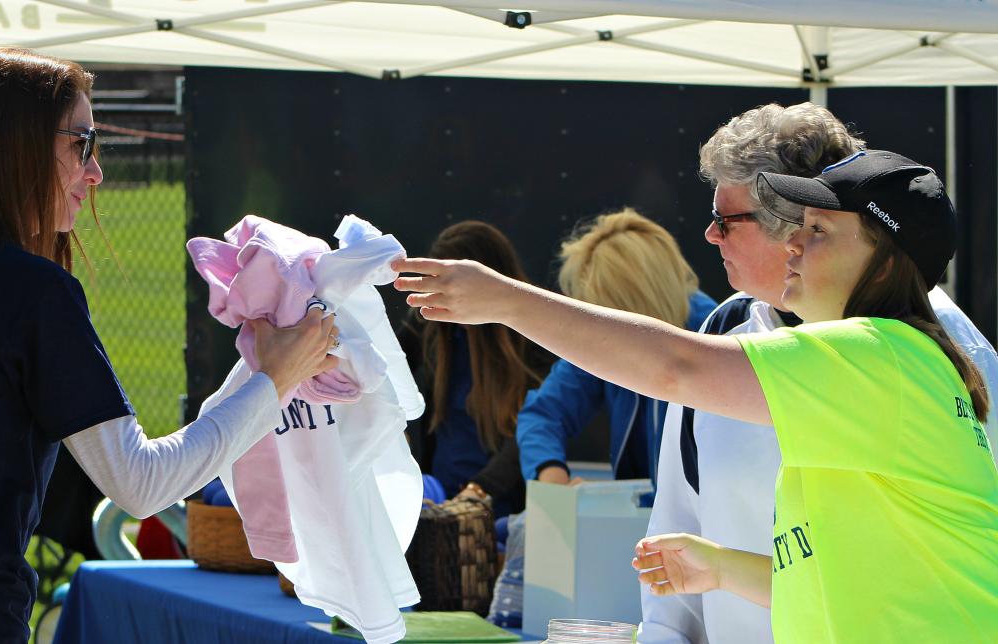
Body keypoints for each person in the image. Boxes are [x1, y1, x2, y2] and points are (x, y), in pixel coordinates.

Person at [0, 47, 338, 642]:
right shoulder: (30, 292)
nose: (96, 170)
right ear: (13, 146)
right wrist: (271, 380)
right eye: (80, 142)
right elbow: (141, 483)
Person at [394, 149, 998, 641]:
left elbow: (676, 366)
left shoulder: (876, 355)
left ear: (885, 262)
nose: (792, 244)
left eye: (818, 233)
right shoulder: (891, 364)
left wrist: (506, 301)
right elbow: (846, 580)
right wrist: (719, 568)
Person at [641, 103, 998, 644]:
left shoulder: (932, 354)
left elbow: (672, 367)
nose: (710, 236)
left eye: (725, 219)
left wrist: (501, 299)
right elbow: (682, 527)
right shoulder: (724, 326)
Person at [517, 209, 716, 487]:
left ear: (635, 302)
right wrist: (550, 474)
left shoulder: (719, 338)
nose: (600, 329)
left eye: (606, 312)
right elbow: (544, 414)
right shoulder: (603, 340)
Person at [399, 220, 550, 516]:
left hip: (501, 508)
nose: (442, 295)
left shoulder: (534, 335)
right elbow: (381, 370)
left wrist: (480, 490)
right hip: (437, 497)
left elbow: (536, 427)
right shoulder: (428, 324)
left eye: (450, 285)